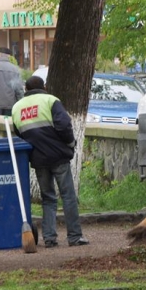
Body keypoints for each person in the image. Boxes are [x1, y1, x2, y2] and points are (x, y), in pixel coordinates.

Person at [11, 75, 89, 248]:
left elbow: (18, 132)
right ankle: (75, 237)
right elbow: (64, 125)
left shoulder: (17, 107)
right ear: (44, 87)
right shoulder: (50, 100)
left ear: (26, 89)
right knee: (68, 196)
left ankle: (49, 238)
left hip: (38, 159)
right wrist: (70, 144)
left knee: (48, 198)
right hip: (58, 156)